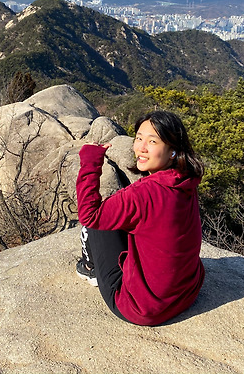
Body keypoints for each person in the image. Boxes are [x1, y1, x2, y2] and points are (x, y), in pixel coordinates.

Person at [75, 110, 205, 326]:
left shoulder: (143, 195)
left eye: (152, 141)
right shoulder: (185, 180)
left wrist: (90, 162)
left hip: (141, 307)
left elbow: (89, 215)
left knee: (102, 219)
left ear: (172, 150)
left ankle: (90, 268)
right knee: (119, 211)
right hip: (186, 292)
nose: (141, 148)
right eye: (139, 138)